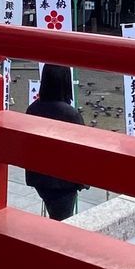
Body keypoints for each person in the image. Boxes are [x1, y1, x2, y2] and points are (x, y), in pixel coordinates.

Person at [24, 64, 85, 221]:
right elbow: (82, 152)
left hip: (40, 179)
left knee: (55, 216)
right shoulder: (71, 115)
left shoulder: (32, 110)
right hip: (64, 182)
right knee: (63, 221)